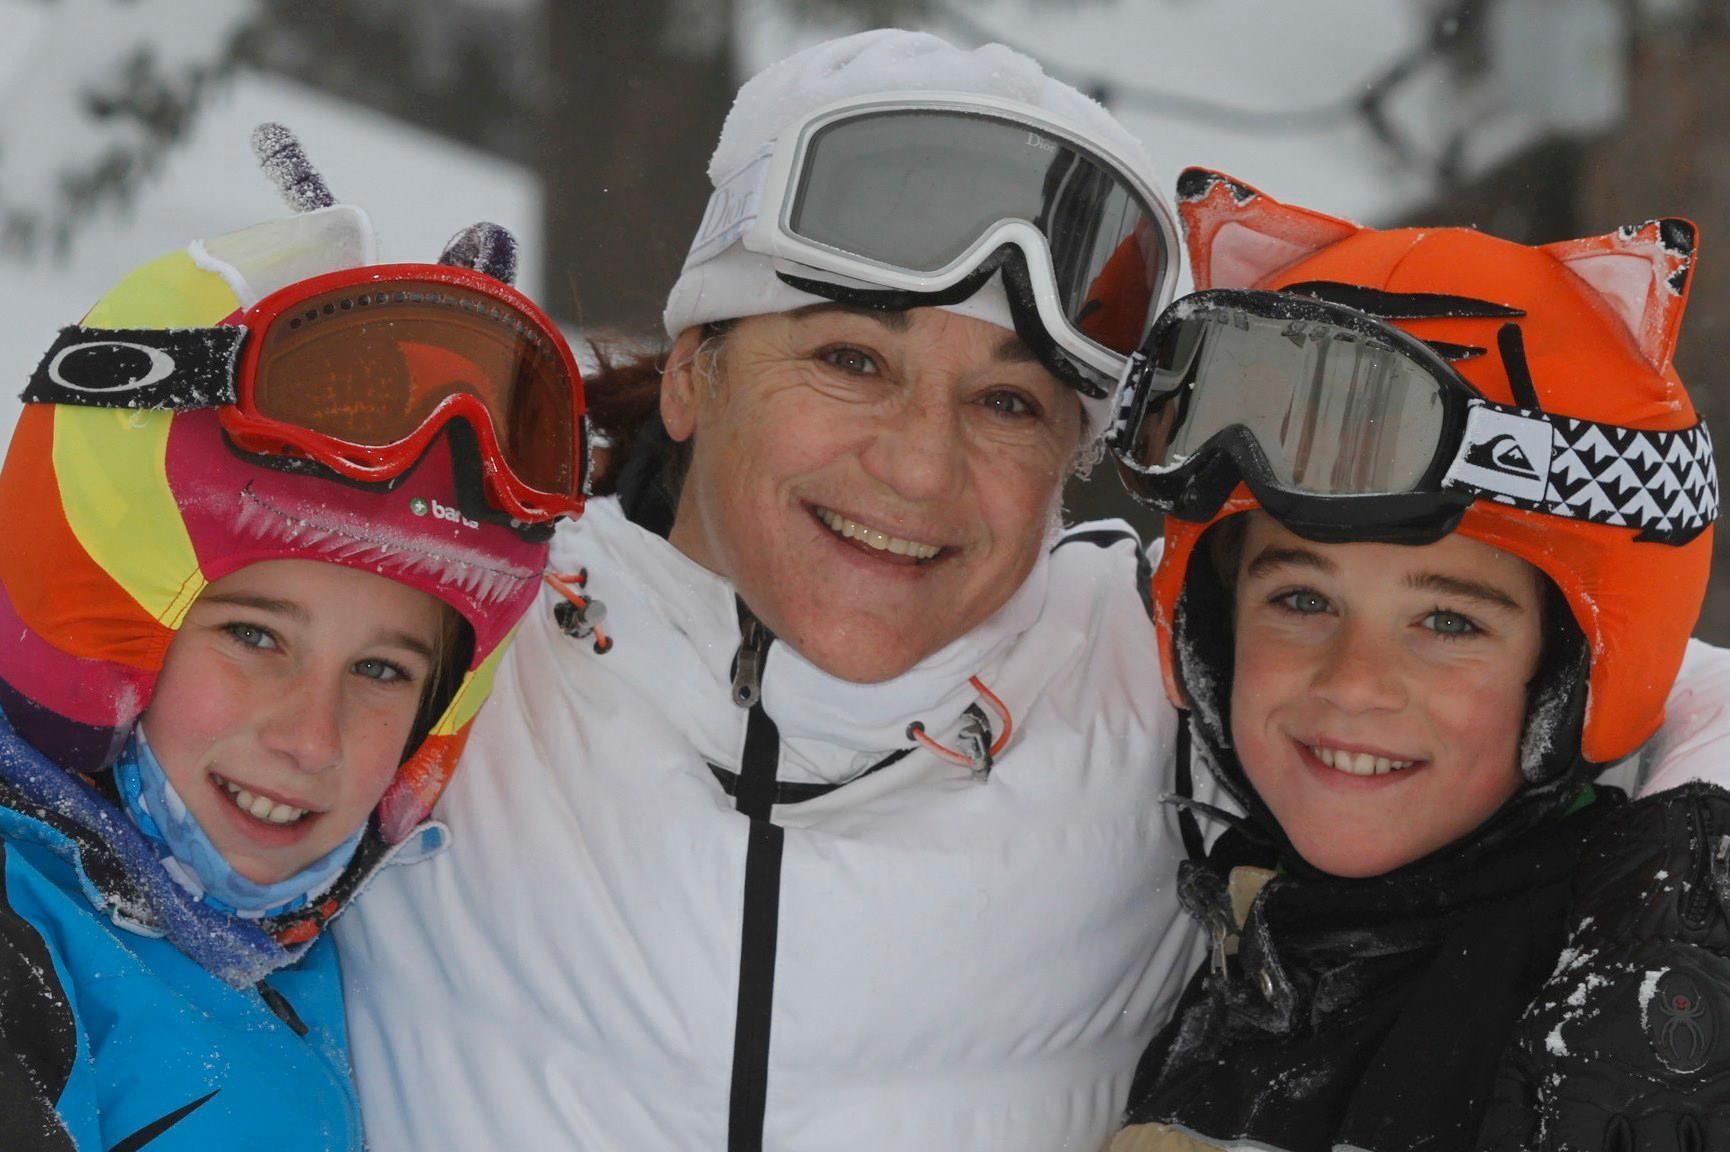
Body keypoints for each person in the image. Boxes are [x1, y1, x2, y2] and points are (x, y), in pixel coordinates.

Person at [337, 30, 1730, 1152]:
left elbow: (1617, 681)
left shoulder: (1152, 690)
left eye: (1007, 403)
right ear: (697, 370)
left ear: (1072, 463)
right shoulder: (449, 630)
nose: (918, 465)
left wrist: (1694, 889)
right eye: (850, 363)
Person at [1106, 169, 1727, 1150]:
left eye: (1446, 622)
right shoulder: (1231, 935)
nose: (1353, 682)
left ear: (1570, 677)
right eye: (1300, 600)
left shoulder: (1613, 1036)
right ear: (1213, 633)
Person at [0, 131, 587, 1150]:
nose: (313, 738)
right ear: (105, 635)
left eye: (381, 669)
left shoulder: (312, 943)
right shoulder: (25, 956)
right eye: (257, 638)